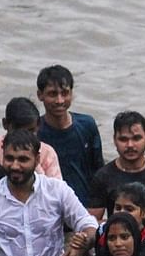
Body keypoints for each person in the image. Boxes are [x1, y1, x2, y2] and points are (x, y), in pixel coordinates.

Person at [87, 111, 145, 227]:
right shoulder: (103, 176)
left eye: (136, 138)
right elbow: (91, 223)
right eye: (123, 139)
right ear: (114, 140)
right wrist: (119, 218)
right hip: (121, 242)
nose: (130, 145)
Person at [35, 65, 104, 206]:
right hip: (49, 207)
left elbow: (99, 172)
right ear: (40, 95)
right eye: (52, 94)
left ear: (72, 93)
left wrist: (97, 208)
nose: (60, 100)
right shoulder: (35, 132)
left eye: (65, 93)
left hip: (84, 207)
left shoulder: (87, 125)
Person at [0, 97, 62, 179]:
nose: (23, 138)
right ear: (5, 124)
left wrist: (34, 162)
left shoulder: (47, 154)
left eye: (30, 131)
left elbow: (56, 190)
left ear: (38, 125)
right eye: (9, 158)